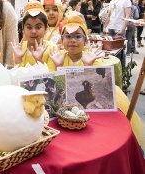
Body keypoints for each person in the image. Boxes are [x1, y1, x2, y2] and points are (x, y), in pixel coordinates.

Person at [48, 10, 144, 149]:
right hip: (66, 110)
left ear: (85, 40)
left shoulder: (92, 58)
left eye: (78, 36)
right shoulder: (58, 57)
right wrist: (57, 66)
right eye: (68, 36)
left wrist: (88, 66)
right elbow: (55, 87)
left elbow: (96, 86)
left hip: (90, 107)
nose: (72, 40)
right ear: (62, 40)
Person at [11, 1, 56, 71]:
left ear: (46, 29)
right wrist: (18, 59)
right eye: (29, 27)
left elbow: (51, 79)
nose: (33, 31)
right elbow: (17, 78)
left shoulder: (52, 49)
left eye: (38, 27)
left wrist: (39, 60)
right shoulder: (19, 49)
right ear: (23, 29)